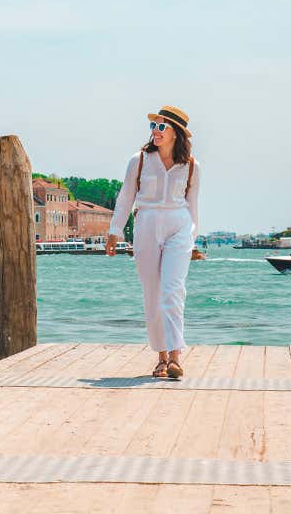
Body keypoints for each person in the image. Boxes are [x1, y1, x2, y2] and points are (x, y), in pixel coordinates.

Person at [105, 105, 201, 380]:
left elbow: (193, 207)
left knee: (173, 289)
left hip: (179, 226)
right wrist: (115, 231)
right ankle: (160, 357)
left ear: (176, 133)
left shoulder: (192, 166)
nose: (156, 131)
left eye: (162, 126)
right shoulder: (139, 160)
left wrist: (190, 238)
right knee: (153, 292)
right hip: (146, 224)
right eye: (153, 126)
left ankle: (175, 356)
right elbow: (125, 197)